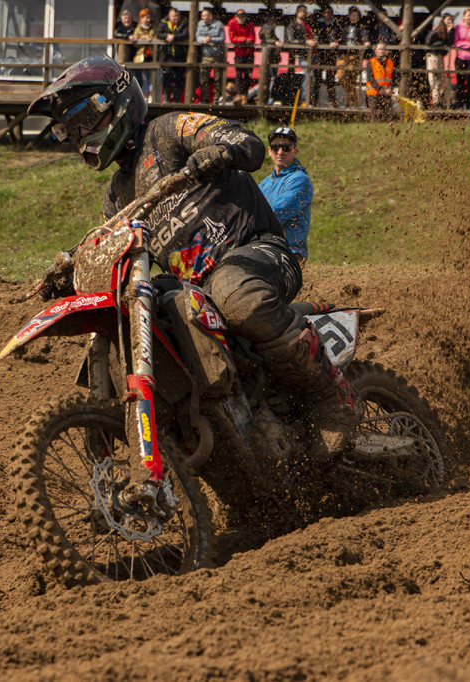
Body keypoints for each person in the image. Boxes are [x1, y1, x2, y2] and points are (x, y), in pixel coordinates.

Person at [28, 55, 360, 472]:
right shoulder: (116, 196)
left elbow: (249, 144)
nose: (82, 133)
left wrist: (219, 151)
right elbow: (119, 254)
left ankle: (333, 396)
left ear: (120, 100)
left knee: (233, 292)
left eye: (87, 117)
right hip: (200, 291)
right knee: (137, 318)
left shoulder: (169, 130)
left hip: (260, 251)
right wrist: (72, 271)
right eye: (69, 128)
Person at [258, 127, 312, 263]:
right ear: (269, 151)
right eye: (275, 147)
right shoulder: (265, 183)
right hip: (264, 248)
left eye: (286, 148)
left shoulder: (300, 180)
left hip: (289, 253)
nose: (280, 152)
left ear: (295, 151)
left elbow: (277, 212)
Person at [310, 4, 344, 108]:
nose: (327, 14)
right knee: (316, 78)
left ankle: (332, 102)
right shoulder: (317, 24)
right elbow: (313, 35)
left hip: (331, 54)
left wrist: (336, 42)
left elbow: (341, 37)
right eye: (325, 12)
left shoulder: (336, 25)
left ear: (332, 14)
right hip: (319, 54)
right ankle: (313, 102)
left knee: (330, 78)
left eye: (329, 12)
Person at [337, 6, 371, 108]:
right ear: (349, 15)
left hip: (355, 55)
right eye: (353, 15)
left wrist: (366, 41)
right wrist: (333, 41)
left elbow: (364, 34)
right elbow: (336, 34)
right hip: (343, 55)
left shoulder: (362, 26)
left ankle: (349, 104)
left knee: (352, 79)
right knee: (341, 76)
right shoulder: (343, 25)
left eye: (357, 15)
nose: (355, 17)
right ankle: (352, 95)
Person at [286, 5, 318, 105]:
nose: (303, 13)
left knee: (312, 77)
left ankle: (309, 100)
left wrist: (313, 42)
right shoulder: (292, 25)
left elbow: (311, 37)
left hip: (312, 53)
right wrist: (305, 42)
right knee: (309, 75)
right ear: (297, 12)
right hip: (302, 54)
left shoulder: (307, 24)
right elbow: (291, 40)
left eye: (305, 11)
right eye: (301, 11)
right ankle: (304, 100)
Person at [452, 9, 470, 110]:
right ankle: (459, 103)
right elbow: (456, 42)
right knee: (460, 80)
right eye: (468, 15)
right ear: (464, 16)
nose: (469, 17)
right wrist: (469, 44)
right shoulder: (458, 27)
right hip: (461, 57)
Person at [156, 7, 188, 102]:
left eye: (178, 16)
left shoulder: (184, 23)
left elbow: (186, 35)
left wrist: (174, 37)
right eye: (174, 16)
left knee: (180, 77)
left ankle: (176, 98)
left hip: (181, 55)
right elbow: (158, 34)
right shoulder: (164, 23)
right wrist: (166, 36)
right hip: (168, 55)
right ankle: (167, 96)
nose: (176, 18)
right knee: (167, 75)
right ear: (169, 16)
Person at [196, 8, 226, 103]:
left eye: (205, 15)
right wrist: (203, 40)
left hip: (217, 55)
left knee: (218, 79)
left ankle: (216, 99)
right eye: (202, 16)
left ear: (210, 16)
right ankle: (205, 98)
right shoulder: (200, 24)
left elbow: (222, 38)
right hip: (205, 56)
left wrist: (211, 39)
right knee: (203, 78)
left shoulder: (219, 24)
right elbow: (197, 36)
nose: (203, 17)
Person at [226, 9, 256, 101]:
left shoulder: (249, 23)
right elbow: (232, 38)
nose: (241, 18)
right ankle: (238, 94)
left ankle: (244, 95)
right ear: (236, 17)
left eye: (243, 16)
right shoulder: (232, 23)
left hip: (249, 53)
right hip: (239, 53)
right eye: (240, 17)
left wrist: (246, 40)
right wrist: (243, 39)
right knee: (238, 74)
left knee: (248, 75)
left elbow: (252, 38)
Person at [425, 17, 454, 108]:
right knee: (434, 81)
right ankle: (435, 103)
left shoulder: (448, 33)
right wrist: (439, 45)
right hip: (432, 56)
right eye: (447, 19)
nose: (449, 22)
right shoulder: (436, 31)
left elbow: (449, 44)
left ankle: (440, 102)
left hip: (440, 57)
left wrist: (449, 32)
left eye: (450, 20)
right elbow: (428, 42)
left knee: (441, 81)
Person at [131, 8, 159, 100]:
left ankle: (151, 95)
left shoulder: (153, 28)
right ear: (141, 18)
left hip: (151, 55)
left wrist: (149, 37)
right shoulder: (138, 28)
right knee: (144, 77)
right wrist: (142, 38)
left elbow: (155, 38)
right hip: (141, 56)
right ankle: (145, 95)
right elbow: (135, 41)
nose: (147, 19)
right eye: (145, 18)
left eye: (149, 17)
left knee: (151, 76)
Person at [365, 43, 395, 122]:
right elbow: (370, 78)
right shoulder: (371, 62)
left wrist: (390, 88)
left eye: (383, 49)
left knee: (389, 115)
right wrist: (379, 89)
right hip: (373, 92)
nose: (381, 51)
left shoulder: (390, 62)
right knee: (374, 115)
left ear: (385, 51)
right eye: (379, 49)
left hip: (386, 92)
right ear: (375, 51)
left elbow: (393, 78)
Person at [259, 14, 284, 103]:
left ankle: (268, 98)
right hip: (269, 58)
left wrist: (277, 46)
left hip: (272, 58)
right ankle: (268, 98)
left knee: (271, 78)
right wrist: (276, 42)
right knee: (270, 78)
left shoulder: (270, 30)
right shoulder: (267, 29)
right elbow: (266, 40)